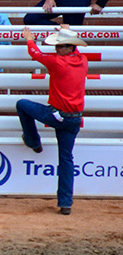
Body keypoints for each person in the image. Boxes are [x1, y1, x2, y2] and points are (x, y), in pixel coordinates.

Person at [16, 26, 89, 215]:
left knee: (22, 104)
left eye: (59, 46)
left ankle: (33, 141)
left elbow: (35, 53)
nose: (56, 49)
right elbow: (75, 51)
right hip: (74, 119)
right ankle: (66, 203)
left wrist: (29, 39)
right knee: (66, 158)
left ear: (67, 47)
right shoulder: (82, 60)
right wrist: (67, 31)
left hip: (57, 115)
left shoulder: (57, 63)